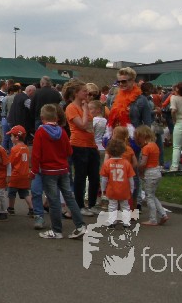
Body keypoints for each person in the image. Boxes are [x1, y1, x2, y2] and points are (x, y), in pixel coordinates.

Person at [32, 104, 87, 240]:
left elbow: (36, 154)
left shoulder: (40, 132)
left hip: (48, 170)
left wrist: (34, 170)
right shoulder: (62, 131)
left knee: (54, 200)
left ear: (42, 117)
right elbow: (69, 151)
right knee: (69, 197)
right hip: (63, 168)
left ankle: (57, 230)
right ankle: (80, 225)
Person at [64, 81, 100, 217]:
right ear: (76, 93)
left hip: (91, 144)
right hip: (78, 145)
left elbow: (90, 126)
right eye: (84, 91)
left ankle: (92, 203)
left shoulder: (85, 106)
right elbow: (83, 125)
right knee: (80, 175)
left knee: (94, 176)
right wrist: (85, 110)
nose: (87, 93)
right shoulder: (71, 108)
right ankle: (79, 205)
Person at [134, 125, 169, 225]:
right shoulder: (155, 146)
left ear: (143, 136)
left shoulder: (146, 148)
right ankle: (163, 214)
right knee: (152, 195)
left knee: (149, 197)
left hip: (149, 173)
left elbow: (143, 163)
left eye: (138, 138)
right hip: (157, 171)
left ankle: (153, 219)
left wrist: (138, 168)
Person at [100, 138, 135, 226]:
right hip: (124, 189)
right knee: (125, 206)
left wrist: (103, 189)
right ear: (123, 150)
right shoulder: (126, 163)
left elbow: (104, 179)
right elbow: (131, 178)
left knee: (112, 205)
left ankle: (112, 221)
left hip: (112, 189)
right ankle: (126, 222)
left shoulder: (107, 163)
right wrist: (131, 189)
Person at [6, 126, 35, 216]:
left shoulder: (14, 149)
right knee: (25, 193)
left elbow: (11, 162)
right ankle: (32, 208)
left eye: (11, 136)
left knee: (11, 193)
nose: (10, 138)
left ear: (17, 137)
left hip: (15, 175)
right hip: (25, 174)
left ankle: (11, 208)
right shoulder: (26, 148)